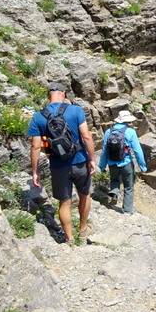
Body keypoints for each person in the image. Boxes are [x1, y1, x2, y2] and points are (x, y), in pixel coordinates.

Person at [27, 82, 97, 245]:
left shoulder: (38, 117)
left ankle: (69, 239)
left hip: (58, 166)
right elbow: (86, 137)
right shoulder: (76, 110)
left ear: (48, 96)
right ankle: (83, 230)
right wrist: (92, 159)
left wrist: (35, 171)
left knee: (64, 202)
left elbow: (35, 146)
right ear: (63, 94)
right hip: (80, 161)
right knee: (84, 196)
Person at [98, 110, 148, 214]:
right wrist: (142, 167)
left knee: (114, 180)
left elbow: (104, 151)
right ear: (128, 121)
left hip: (112, 164)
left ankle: (114, 192)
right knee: (128, 187)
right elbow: (138, 151)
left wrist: (102, 166)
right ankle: (127, 211)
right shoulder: (130, 132)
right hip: (126, 164)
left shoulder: (108, 132)